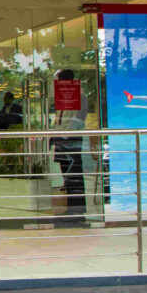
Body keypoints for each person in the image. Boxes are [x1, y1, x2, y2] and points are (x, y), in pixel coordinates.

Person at [50, 69, 89, 227]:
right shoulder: (65, 95)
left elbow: (76, 120)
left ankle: (77, 211)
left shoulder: (78, 94)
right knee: (67, 176)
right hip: (62, 140)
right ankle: (71, 209)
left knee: (74, 175)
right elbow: (60, 118)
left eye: (58, 80)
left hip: (70, 140)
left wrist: (64, 136)